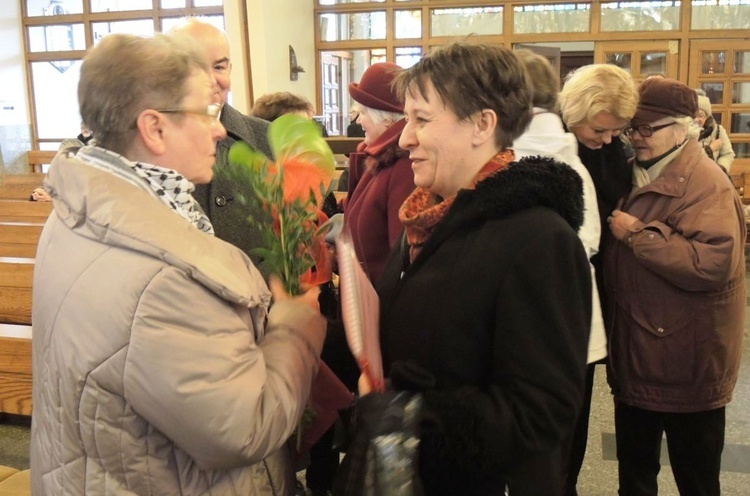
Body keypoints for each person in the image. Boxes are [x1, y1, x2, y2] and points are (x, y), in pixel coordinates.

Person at [30, 33, 326, 495]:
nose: (220, 130)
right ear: (154, 128)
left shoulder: (79, 207)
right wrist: (294, 325)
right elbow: (243, 428)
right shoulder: (165, 278)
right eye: (204, 113)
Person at [337, 42, 592, 495]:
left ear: (482, 123)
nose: (404, 137)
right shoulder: (427, 218)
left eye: (421, 119)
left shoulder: (539, 240)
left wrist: (414, 414)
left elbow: (541, 413)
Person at [605, 77, 745, 496]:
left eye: (648, 128)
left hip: (687, 364)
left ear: (685, 127)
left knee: (697, 480)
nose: (637, 137)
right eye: (633, 128)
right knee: (635, 475)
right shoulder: (633, 172)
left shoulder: (707, 183)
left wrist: (637, 235)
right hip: (638, 354)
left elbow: (714, 262)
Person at [558, 62, 638, 496]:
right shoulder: (548, 146)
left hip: (593, 298)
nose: (609, 139)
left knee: (578, 415)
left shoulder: (608, 152)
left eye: (616, 131)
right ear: (576, 107)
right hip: (555, 296)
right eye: (602, 128)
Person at [169, 18, 273, 270]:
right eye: (197, 69)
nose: (212, 80)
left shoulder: (266, 137)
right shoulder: (161, 144)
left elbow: (290, 233)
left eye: (219, 67)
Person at [343, 62, 415, 285]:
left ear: (386, 117)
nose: (358, 120)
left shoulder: (404, 167)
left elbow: (401, 259)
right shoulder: (379, 157)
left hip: (380, 306)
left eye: (362, 112)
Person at [695, 89, 735, 172]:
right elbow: (689, 160)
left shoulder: (718, 130)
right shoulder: (682, 132)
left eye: (700, 115)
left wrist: (719, 169)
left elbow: (728, 154)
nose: (696, 119)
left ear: (707, 116)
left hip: (713, 179)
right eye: (693, 115)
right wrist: (710, 149)